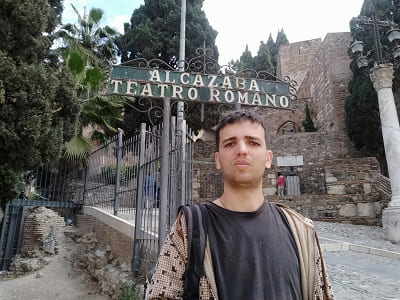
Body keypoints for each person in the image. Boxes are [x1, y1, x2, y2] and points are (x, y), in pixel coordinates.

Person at [146, 110, 333, 299]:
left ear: (268, 158)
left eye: (253, 142)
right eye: (230, 143)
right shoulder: (188, 227)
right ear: (218, 160)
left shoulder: (302, 230)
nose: (242, 150)